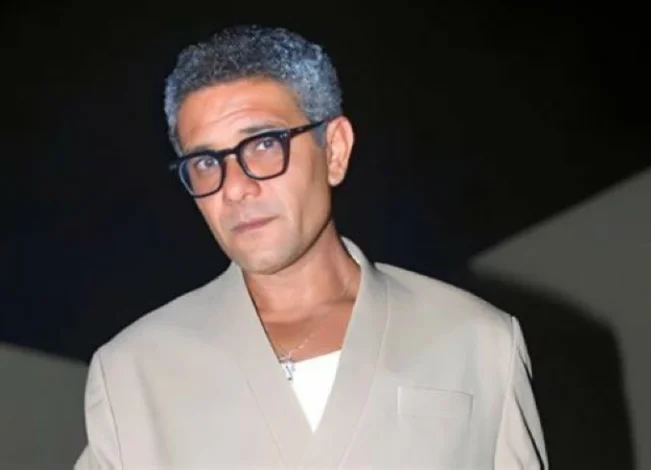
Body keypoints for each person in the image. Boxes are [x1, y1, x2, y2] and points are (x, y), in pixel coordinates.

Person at [74, 25, 548, 469]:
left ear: (334, 150)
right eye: (205, 162)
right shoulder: (133, 372)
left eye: (263, 144)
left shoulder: (476, 340)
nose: (234, 188)